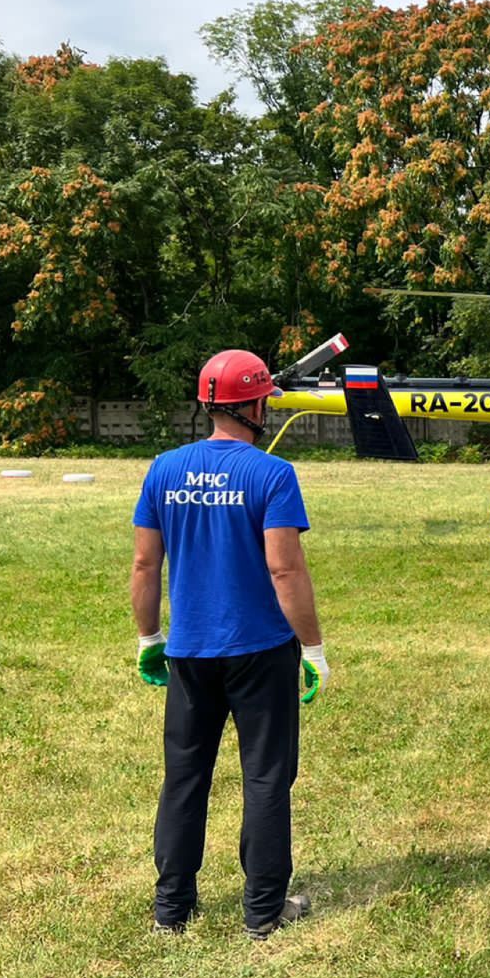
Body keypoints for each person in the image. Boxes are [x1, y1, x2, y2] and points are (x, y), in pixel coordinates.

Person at [131, 348, 327, 939]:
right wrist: (312, 648)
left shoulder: (164, 468)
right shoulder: (271, 474)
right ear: (257, 404)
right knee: (265, 776)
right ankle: (264, 910)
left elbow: (145, 564)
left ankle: (173, 908)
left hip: (189, 651)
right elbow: (285, 572)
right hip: (261, 650)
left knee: (184, 775)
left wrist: (149, 637)